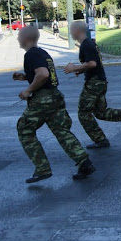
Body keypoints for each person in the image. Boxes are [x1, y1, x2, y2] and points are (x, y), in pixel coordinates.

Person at [13, 26, 95, 183]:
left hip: (43, 101)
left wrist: (28, 90)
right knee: (62, 131)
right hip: (55, 97)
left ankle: (42, 168)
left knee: (24, 130)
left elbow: (43, 74)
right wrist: (25, 77)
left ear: (26, 38)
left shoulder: (31, 54)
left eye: (18, 36)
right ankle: (84, 163)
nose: (17, 38)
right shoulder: (42, 52)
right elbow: (45, 75)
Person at [63, 21, 121, 149]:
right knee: (101, 112)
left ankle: (100, 140)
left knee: (83, 113)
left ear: (77, 30)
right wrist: (80, 70)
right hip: (99, 81)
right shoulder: (88, 43)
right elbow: (92, 64)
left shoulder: (86, 45)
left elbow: (93, 63)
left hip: (94, 83)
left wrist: (74, 68)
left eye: (71, 30)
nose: (70, 33)